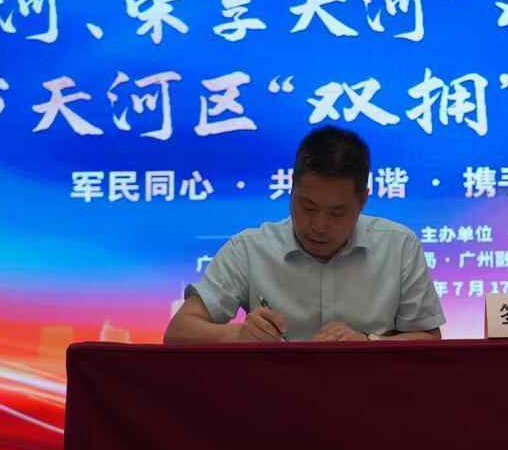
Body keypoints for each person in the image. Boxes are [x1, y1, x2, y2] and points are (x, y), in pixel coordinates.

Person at [165, 125, 445, 343]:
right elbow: (178, 332)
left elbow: (430, 339)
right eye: (308, 207)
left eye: (336, 213)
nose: (319, 225)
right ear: (291, 188)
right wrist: (238, 334)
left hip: (371, 392)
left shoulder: (399, 246)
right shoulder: (249, 249)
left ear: (363, 200)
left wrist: (368, 343)